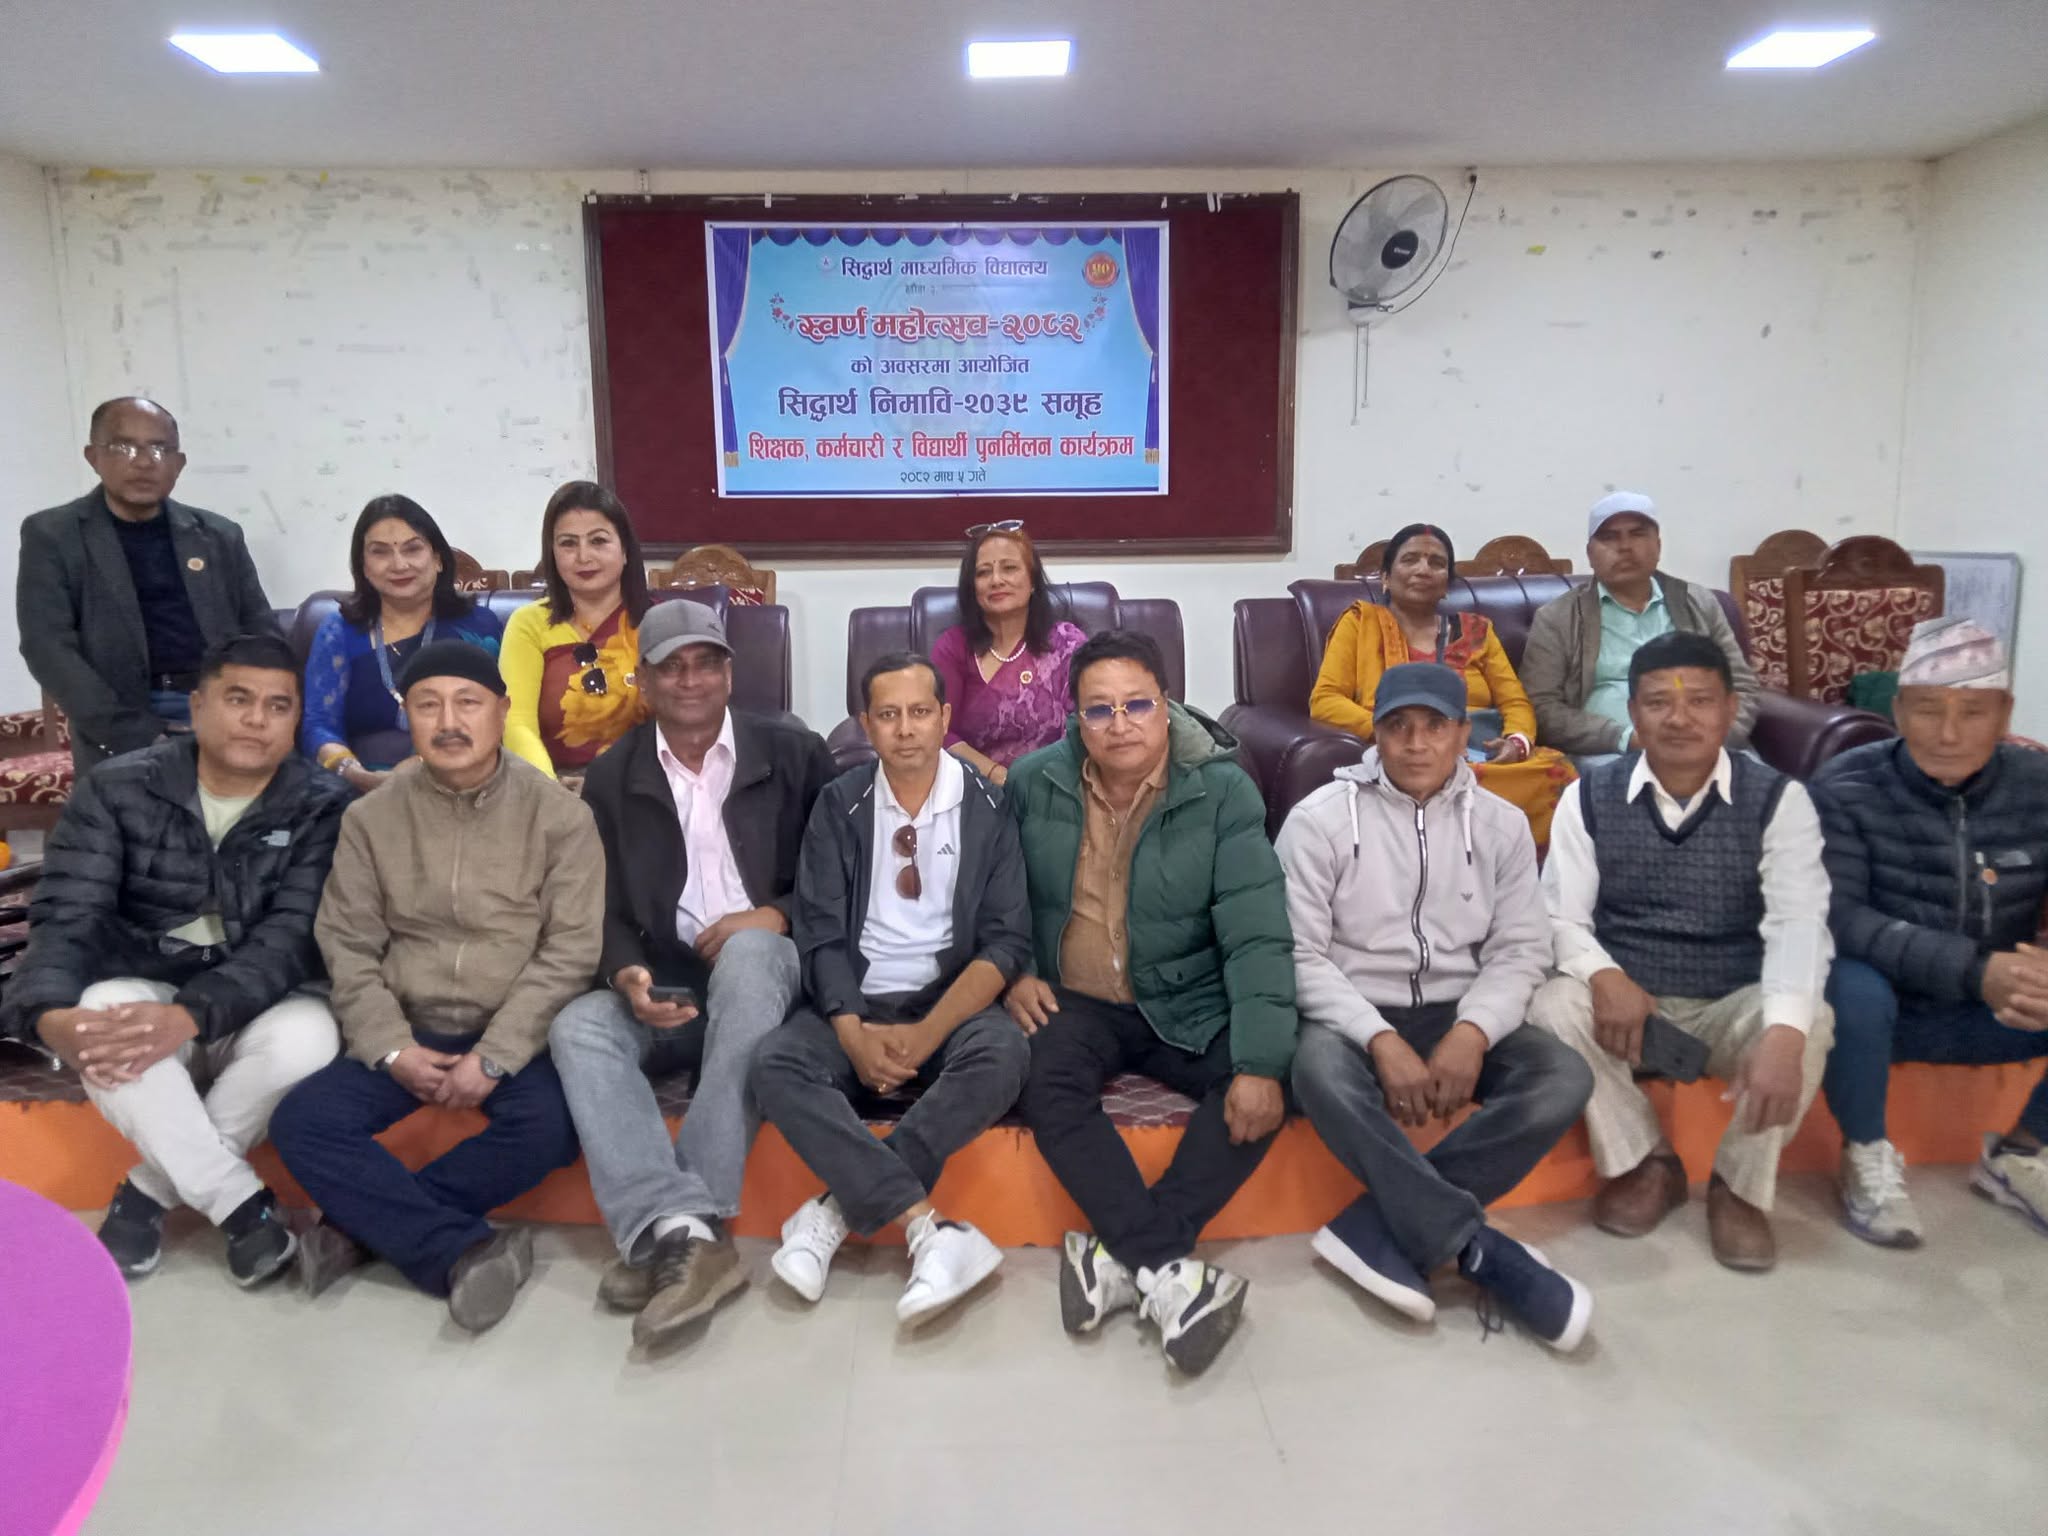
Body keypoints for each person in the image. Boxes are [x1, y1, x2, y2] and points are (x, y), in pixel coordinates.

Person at [268, 641, 601, 1332]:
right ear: (408, 717)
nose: (449, 722)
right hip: (407, 1021)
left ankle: (363, 1227)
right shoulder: (371, 818)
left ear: (502, 711)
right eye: (428, 705)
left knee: (552, 1128)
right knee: (303, 1122)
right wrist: (391, 1048)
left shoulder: (560, 817)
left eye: (467, 703)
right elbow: (347, 944)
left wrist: (497, 1055)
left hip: (513, 1030)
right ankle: (461, 1250)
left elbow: (570, 950)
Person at [4, 634, 347, 1284]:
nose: (256, 719)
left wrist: (192, 1015)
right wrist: (48, 1016)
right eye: (238, 699)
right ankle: (241, 1208)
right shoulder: (117, 789)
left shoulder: (322, 804)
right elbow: (68, 915)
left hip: (263, 999)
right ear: (196, 707)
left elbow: (291, 938)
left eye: (278, 706)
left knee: (312, 1038)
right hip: (144, 982)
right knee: (102, 1013)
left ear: (295, 721)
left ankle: (145, 1197)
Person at [1282, 661, 1595, 1349]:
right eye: (1398, 726)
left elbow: (1521, 948)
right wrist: (1379, 1038)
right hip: (1355, 1013)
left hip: (1459, 1008)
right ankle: (1474, 1246)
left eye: (1434, 726)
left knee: (1563, 1076)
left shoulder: (1502, 824)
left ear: (1462, 735)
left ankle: (1377, 1224)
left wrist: (1474, 1031)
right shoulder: (1319, 821)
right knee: (1316, 1071)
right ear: (1376, 734)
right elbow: (1298, 954)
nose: (1416, 744)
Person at [1007, 629, 1296, 1375]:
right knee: (1042, 1081)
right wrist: (1017, 971)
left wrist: (1261, 1062)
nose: (1120, 724)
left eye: (1137, 704)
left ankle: (1121, 1255)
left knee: (1267, 1079)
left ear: (1166, 705)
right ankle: (1169, 1272)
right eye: (1099, 709)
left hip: (1187, 997)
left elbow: (1256, 933)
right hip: (1075, 999)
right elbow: (997, 899)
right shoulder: (1034, 781)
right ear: (1075, 717)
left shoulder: (1222, 790)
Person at [550, 600, 837, 1347]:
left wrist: (774, 915)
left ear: (729, 674)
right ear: (644, 682)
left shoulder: (793, 751)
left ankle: (686, 1228)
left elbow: (840, 873)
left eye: (706, 663)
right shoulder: (613, 775)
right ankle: (682, 1229)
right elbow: (604, 904)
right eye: (671, 666)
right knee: (578, 1026)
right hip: (670, 981)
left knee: (748, 955)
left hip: (770, 967)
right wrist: (626, 973)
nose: (690, 680)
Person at [1528, 631, 1834, 1272]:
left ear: (1729, 709)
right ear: (1633, 714)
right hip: (1630, 1010)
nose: (1679, 717)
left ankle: (1739, 1189)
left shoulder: (1779, 800)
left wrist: (1783, 1034)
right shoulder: (1588, 795)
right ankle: (1647, 1163)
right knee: (1553, 1004)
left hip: (1730, 1002)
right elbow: (1558, 915)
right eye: (1658, 702)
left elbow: (1799, 925)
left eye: (1699, 700)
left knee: (1808, 1022)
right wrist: (1603, 974)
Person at [750, 651, 1031, 1327]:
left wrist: (926, 1035)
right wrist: (851, 1031)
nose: (905, 729)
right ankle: (927, 1228)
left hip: (948, 1004)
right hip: (859, 998)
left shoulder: (989, 805)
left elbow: (1005, 942)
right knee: (775, 1063)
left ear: (944, 717)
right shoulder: (839, 803)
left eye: (920, 712)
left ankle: (831, 1214)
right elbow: (818, 931)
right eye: (888, 715)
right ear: (865, 724)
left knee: (1004, 1056)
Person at [1812, 617, 2048, 1247]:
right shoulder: (1845, 786)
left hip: (2005, 1006)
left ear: (2004, 714)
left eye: (1971, 712)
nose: (1947, 734)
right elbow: (1840, 916)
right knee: (1844, 981)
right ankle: (1865, 1154)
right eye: (1926, 710)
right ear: (1897, 712)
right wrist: (1975, 970)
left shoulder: (2040, 785)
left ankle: (2022, 1153)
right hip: (1885, 1012)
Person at [18, 397, 279, 770]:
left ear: (179, 464)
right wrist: (136, 736)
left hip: (222, 709)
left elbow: (260, 631)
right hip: (124, 722)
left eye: (159, 448)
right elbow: (47, 648)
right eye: (123, 446)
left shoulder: (218, 535)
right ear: (93, 456)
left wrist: (255, 710)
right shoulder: (55, 535)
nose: (143, 462)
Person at [1310, 522, 1577, 843]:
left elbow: (1514, 701)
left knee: (1558, 772)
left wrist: (1516, 742)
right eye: (1410, 560)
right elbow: (1325, 700)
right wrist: (1393, 732)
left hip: (1477, 751)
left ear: (1446, 584)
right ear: (1385, 577)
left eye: (1436, 563)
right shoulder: (1359, 623)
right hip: (1403, 751)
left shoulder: (1477, 631)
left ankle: (1527, 871)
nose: (1423, 569)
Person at [1519, 492, 1759, 762]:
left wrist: (1714, 736)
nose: (1624, 546)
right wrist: (1627, 738)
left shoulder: (1700, 603)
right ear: (1590, 553)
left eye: (1637, 534)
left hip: (1710, 748)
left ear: (1658, 545)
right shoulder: (1557, 618)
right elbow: (1541, 707)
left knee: (1763, 784)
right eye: (1609, 537)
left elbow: (1741, 686)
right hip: (1610, 754)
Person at [301, 495, 503, 793]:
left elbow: (494, 718)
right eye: (380, 552)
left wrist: (423, 766)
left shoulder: (477, 627)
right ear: (363, 566)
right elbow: (318, 724)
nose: (399, 564)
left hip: (460, 780)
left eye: (413, 549)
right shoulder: (340, 631)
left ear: (438, 559)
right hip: (357, 787)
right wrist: (354, 773)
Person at [500, 480, 654, 786]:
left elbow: (681, 723)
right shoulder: (528, 624)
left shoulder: (657, 621)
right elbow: (516, 724)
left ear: (625, 550)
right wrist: (551, 793)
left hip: (643, 786)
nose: (583, 557)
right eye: (568, 544)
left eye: (598, 541)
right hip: (553, 785)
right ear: (552, 553)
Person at [928, 520, 1087, 782]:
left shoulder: (1066, 643)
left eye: (1009, 568)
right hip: (977, 785)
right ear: (972, 587)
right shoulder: (953, 646)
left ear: (1033, 580)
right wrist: (998, 776)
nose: (996, 580)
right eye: (983, 573)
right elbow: (937, 730)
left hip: (1057, 783)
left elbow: (1085, 722)